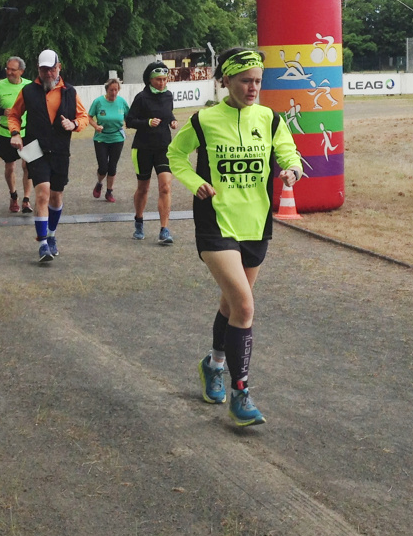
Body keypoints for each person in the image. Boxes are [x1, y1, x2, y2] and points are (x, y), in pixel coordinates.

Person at [168, 47, 303, 426]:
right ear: (225, 80)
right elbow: (175, 156)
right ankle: (240, 393)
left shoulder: (271, 119)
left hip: (255, 224)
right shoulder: (204, 120)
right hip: (216, 223)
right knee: (244, 305)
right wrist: (195, 182)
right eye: (245, 80)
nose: (253, 88)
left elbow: (289, 154)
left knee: (232, 304)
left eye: (258, 81)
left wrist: (292, 171)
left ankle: (213, 365)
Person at [6, 49, 90, 263]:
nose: (48, 74)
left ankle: (52, 235)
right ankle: (43, 243)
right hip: (36, 149)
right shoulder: (27, 91)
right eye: (44, 70)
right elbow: (14, 115)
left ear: (59, 67)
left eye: (52, 69)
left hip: (61, 150)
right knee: (42, 193)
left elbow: (84, 117)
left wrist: (74, 124)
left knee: (56, 196)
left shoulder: (70, 92)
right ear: (38, 70)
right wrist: (15, 134)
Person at [126, 61, 178, 244]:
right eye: (158, 80)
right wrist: (147, 122)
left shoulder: (169, 96)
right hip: (143, 148)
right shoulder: (141, 97)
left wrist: (172, 121)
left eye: (165, 79)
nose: (162, 83)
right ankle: (139, 220)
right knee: (143, 188)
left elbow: (168, 113)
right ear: (149, 79)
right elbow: (130, 121)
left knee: (165, 186)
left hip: (164, 146)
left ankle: (164, 229)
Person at [0, 56, 32, 213]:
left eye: (13, 69)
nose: (9, 72)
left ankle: (26, 200)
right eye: (7, 69)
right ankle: (13, 196)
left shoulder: (29, 86)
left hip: (27, 132)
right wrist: (2, 111)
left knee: (28, 166)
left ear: (21, 71)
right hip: (6, 133)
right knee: (10, 166)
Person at [88, 78, 129, 203]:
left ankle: (109, 191)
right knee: (103, 167)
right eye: (111, 90)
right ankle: (99, 183)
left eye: (116, 90)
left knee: (112, 166)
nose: (114, 92)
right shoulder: (98, 102)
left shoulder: (122, 102)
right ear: (107, 90)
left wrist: (132, 123)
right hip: (101, 138)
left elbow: (130, 116)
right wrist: (96, 126)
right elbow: (89, 117)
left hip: (117, 137)